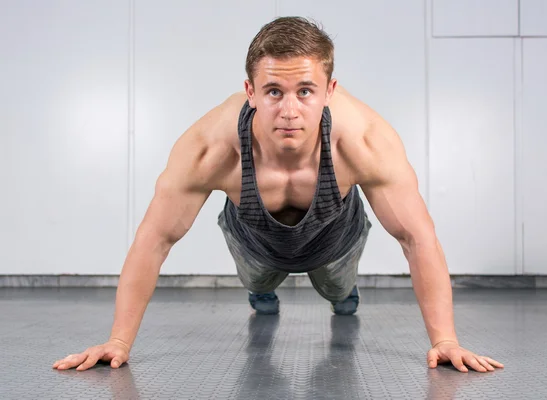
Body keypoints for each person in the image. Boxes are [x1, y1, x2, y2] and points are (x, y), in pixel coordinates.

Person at [53, 16, 504, 374]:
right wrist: (118, 341)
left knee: (338, 287)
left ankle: (343, 296)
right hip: (254, 242)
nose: (289, 110)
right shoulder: (210, 148)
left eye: (305, 91)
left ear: (330, 91)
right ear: (249, 91)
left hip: (335, 241)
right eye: (273, 91)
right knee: (257, 281)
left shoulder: (364, 141)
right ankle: (262, 293)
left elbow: (416, 237)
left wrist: (445, 340)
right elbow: (154, 239)